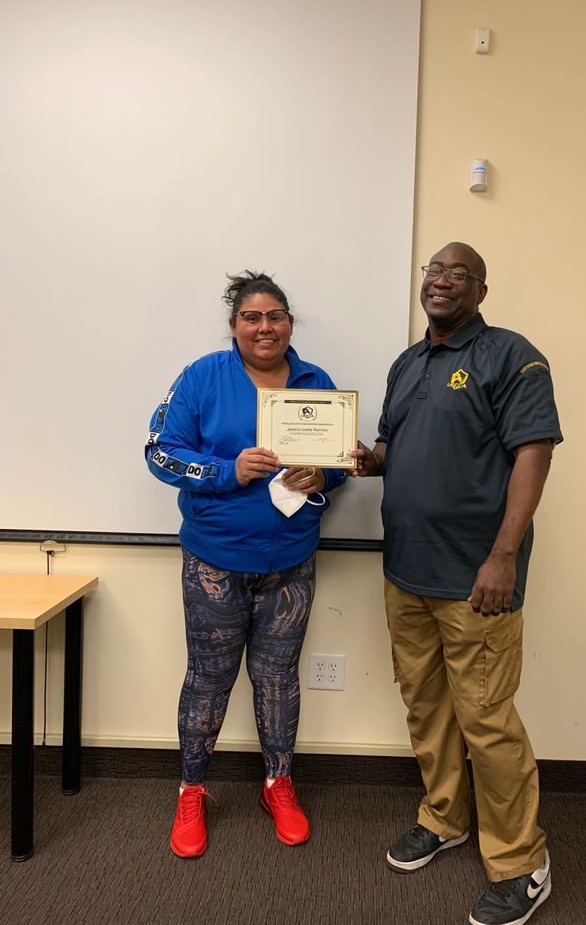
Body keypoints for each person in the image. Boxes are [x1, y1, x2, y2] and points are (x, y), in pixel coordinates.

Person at [350, 243, 562, 925]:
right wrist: (364, 459)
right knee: (426, 707)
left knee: (487, 721)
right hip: (405, 570)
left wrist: (503, 556)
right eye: (433, 271)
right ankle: (445, 817)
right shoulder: (407, 364)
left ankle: (522, 863)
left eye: (457, 273)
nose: (441, 281)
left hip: (476, 578)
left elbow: (533, 453)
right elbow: (394, 447)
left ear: (480, 289)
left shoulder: (512, 356)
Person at [146, 270, 345, 859]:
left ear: (289, 323)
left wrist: (324, 473)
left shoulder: (315, 380)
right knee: (208, 679)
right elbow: (160, 452)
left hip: (291, 564)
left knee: (279, 679)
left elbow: (334, 462)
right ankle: (192, 790)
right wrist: (228, 469)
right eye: (252, 317)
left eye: (276, 316)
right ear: (234, 325)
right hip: (215, 561)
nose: (265, 327)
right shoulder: (203, 376)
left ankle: (278, 785)